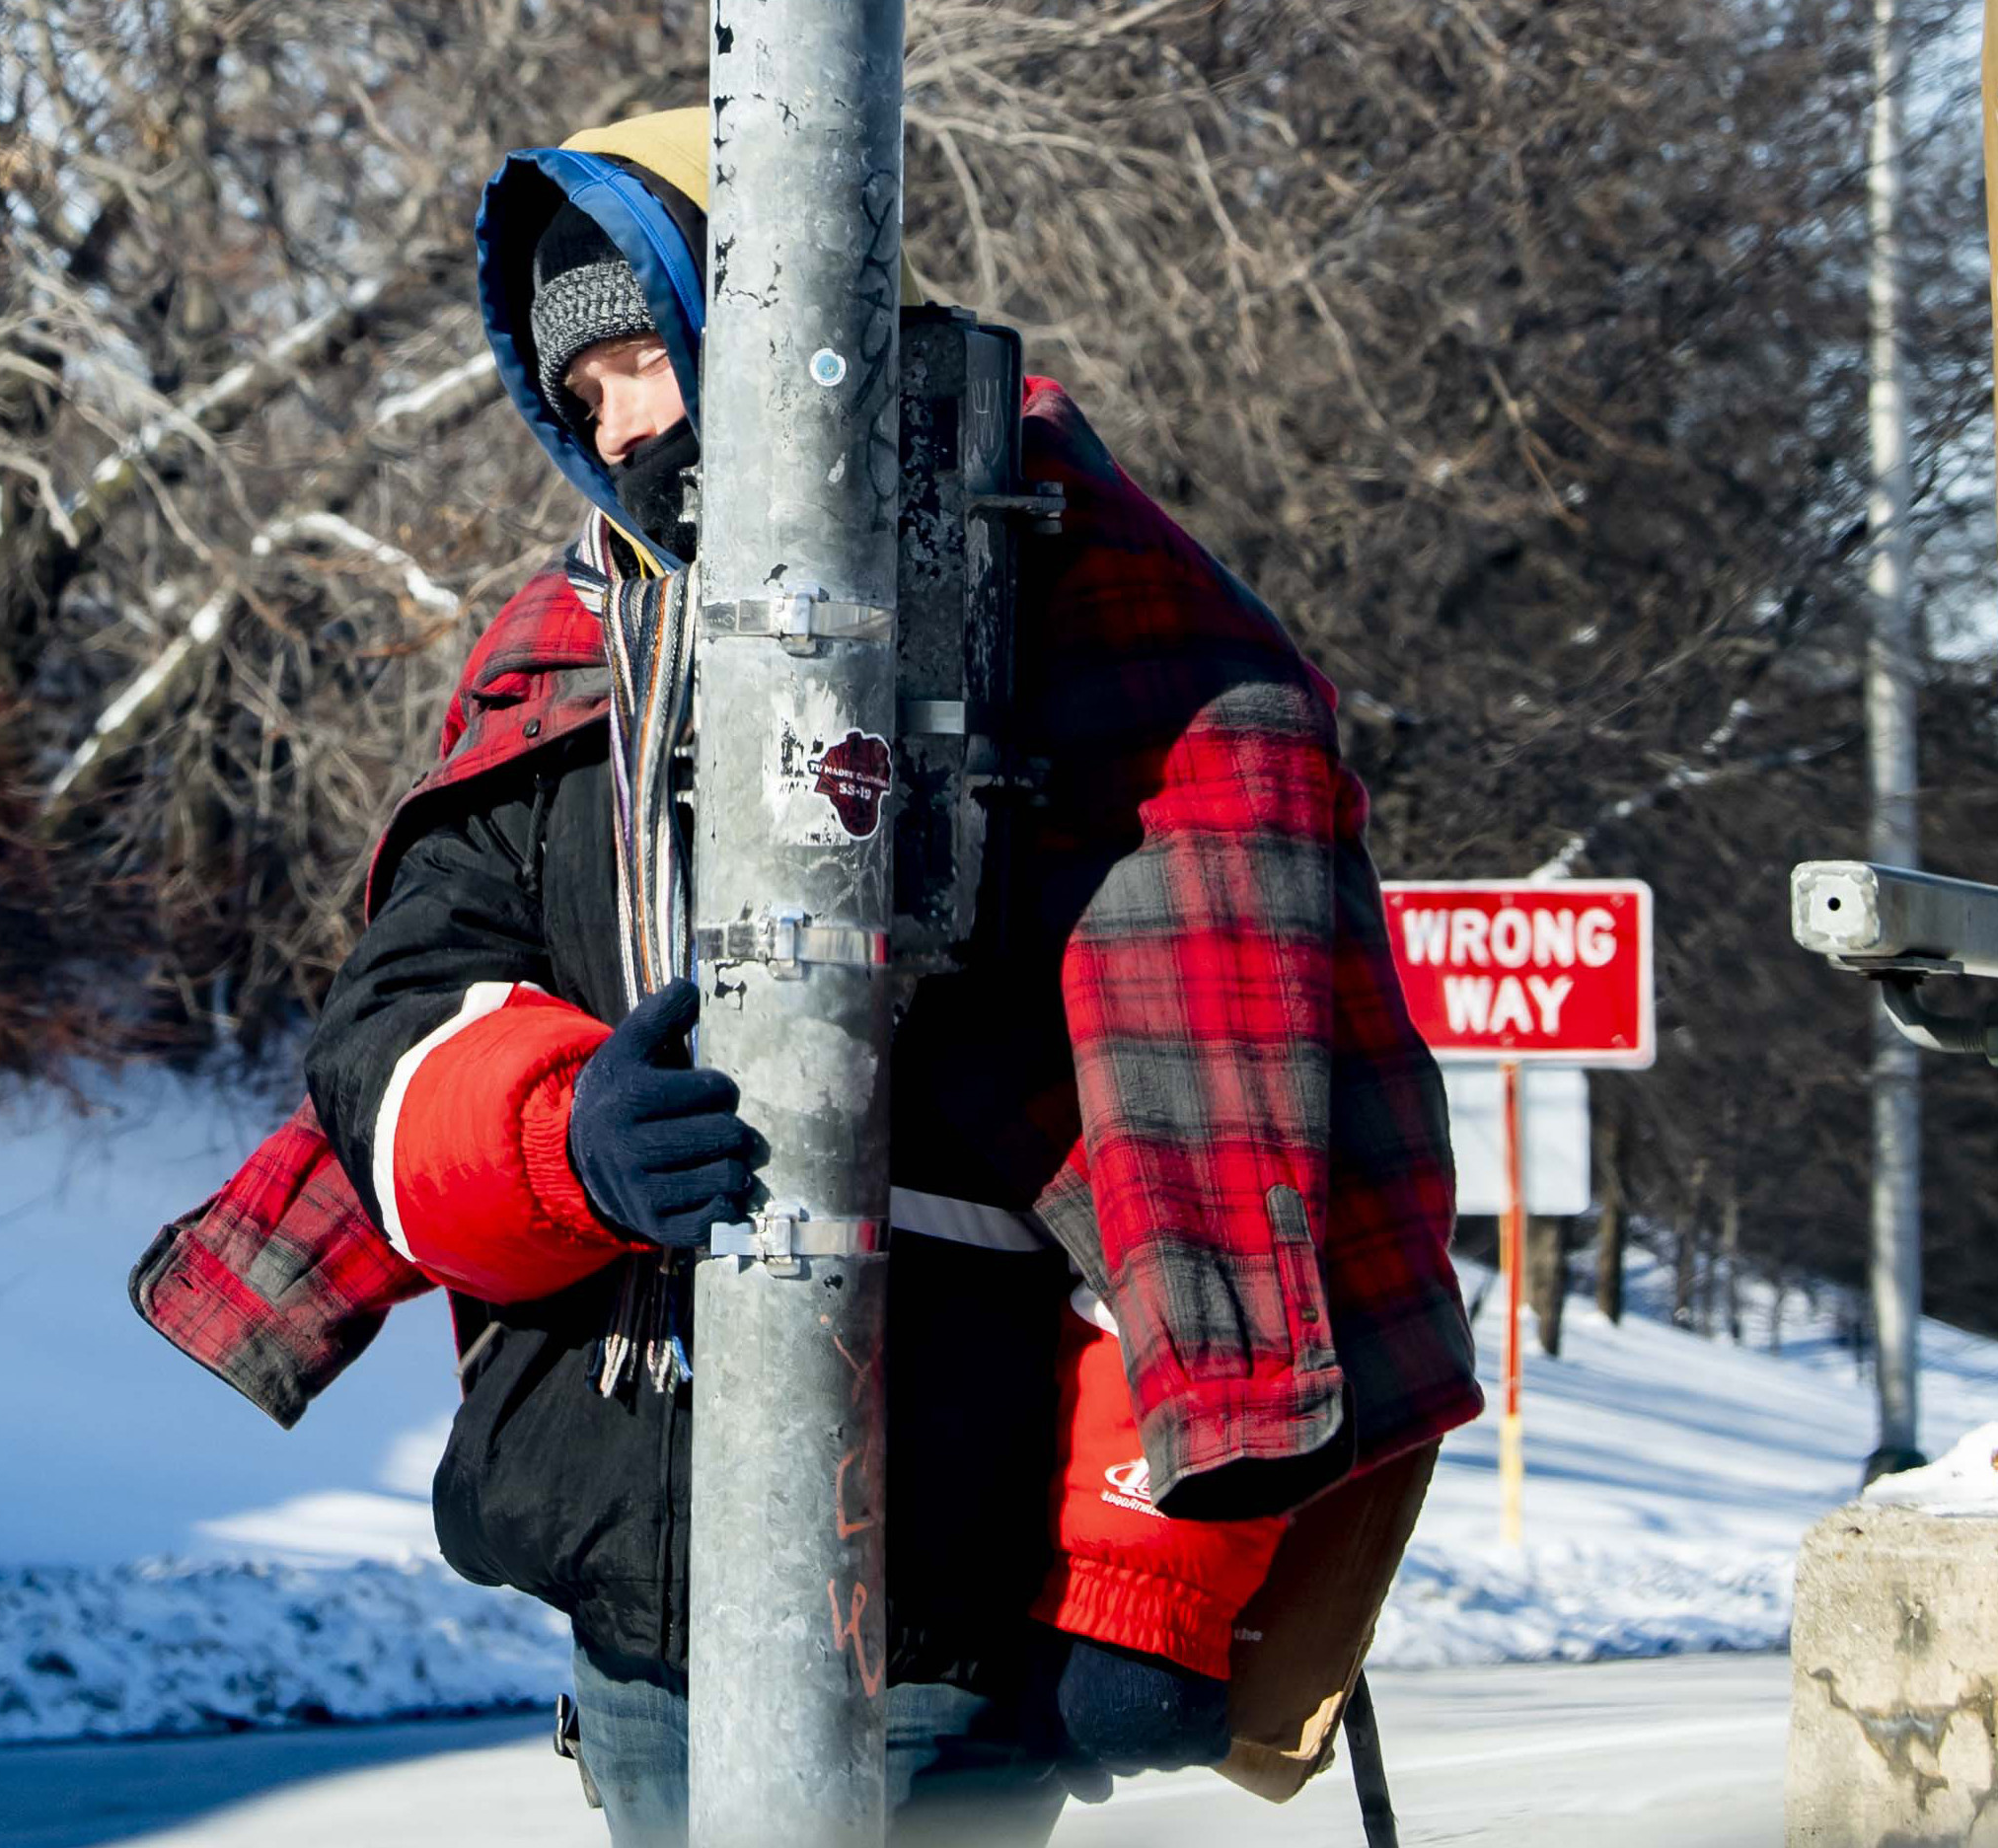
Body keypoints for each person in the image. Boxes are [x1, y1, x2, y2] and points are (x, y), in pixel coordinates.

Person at [132, 108, 1479, 1846]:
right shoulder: (578, 646)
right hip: (637, 1594)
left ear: (755, 316)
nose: (615, 426)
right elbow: (392, 1030)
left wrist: (1144, 1575)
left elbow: (1228, 1124)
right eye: (582, 389)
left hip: (944, 1583)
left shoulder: (1076, 606)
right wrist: (562, 1136)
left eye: (640, 358)